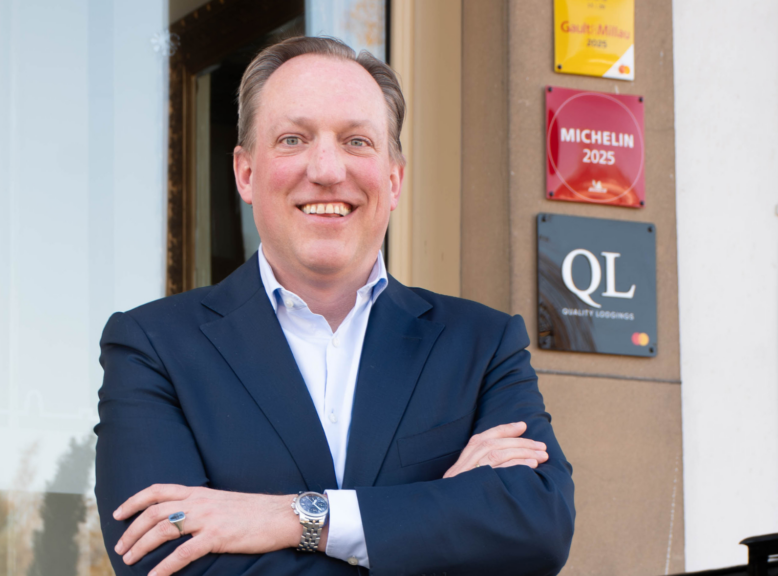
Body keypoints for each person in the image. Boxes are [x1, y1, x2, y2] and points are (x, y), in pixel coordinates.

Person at [94, 36, 575, 576]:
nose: (326, 169)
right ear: (246, 173)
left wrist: (295, 519)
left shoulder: (482, 345)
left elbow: (538, 527)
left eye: (356, 141)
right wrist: (435, 515)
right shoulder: (153, 348)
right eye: (293, 139)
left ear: (394, 179)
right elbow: (164, 562)